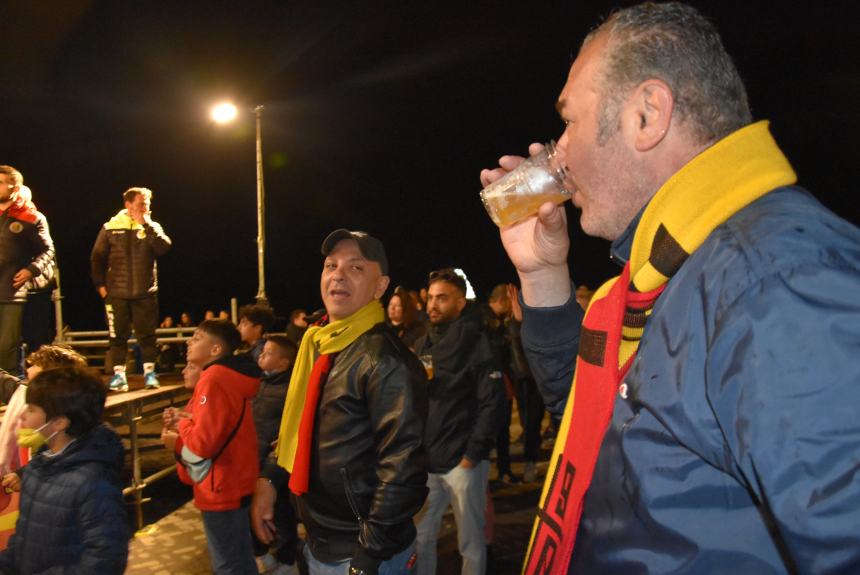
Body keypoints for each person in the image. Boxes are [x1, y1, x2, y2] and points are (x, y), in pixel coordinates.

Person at [480, 3, 860, 573]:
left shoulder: (774, 278)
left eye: (570, 121)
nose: (557, 153)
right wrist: (542, 275)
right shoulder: (668, 272)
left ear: (647, 115)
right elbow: (589, 418)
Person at [251, 229, 428, 575]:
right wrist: (270, 478)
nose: (338, 275)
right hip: (319, 541)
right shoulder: (318, 344)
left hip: (362, 552)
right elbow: (298, 424)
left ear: (380, 286)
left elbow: (404, 469)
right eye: (331, 265)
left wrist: (367, 557)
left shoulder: (385, 360)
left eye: (356, 268)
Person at [413, 268, 505, 575]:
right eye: (431, 298)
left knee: (471, 543)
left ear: (460, 303)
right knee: (421, 537)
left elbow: (492, 402)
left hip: (462, 463)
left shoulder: (476, 340)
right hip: (428, 461)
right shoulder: (423, 342)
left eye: (443, 298)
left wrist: (471, 455)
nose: (433, 305)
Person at [0, 367, 129, 573]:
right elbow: (24, 537)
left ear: (59, 422)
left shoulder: (93, 481)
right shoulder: (36, 468)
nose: (22, 414)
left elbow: (106, 559)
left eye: (32, 409)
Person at [161, 319, 261, 574]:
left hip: (221, 484)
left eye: (195, 338)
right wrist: (187, 420)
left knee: (229, 564)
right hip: (233, 479)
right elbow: (217, 427)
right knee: (238, 558)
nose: (188, 342)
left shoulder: (214, 377)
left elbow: (202, 445)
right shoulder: (229, 376)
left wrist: (178, 434)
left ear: (216, 349)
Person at [90, 186, 172, 391]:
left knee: (147, 335)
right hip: (116, 293)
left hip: (145, 292)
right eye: (141, 204)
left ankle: (150, 374)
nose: (146, 207)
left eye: (147, 203)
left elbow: (163, 248)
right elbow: (97, 257)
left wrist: (146, 224)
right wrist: (100, 286)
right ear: (128, 205)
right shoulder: (111, 226)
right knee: (117, 336)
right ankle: (119, 376)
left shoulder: (152, 226)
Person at [0, 166, 55, 376]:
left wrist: (31, 270)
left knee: (6, 347)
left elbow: (48, 249)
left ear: (14, 188)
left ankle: (6, 394)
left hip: (10, 291)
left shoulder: (31, 217)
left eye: (0, 183)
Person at [252, 334, 299, 574]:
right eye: (262, 351)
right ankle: (265, 556)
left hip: (277, 466)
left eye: (268, 353)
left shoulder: (290, 389)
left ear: (283, 364)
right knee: (258, 515)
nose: (261, 355)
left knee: (282, 514)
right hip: (255, 461)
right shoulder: (259, 383)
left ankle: (287, 560)